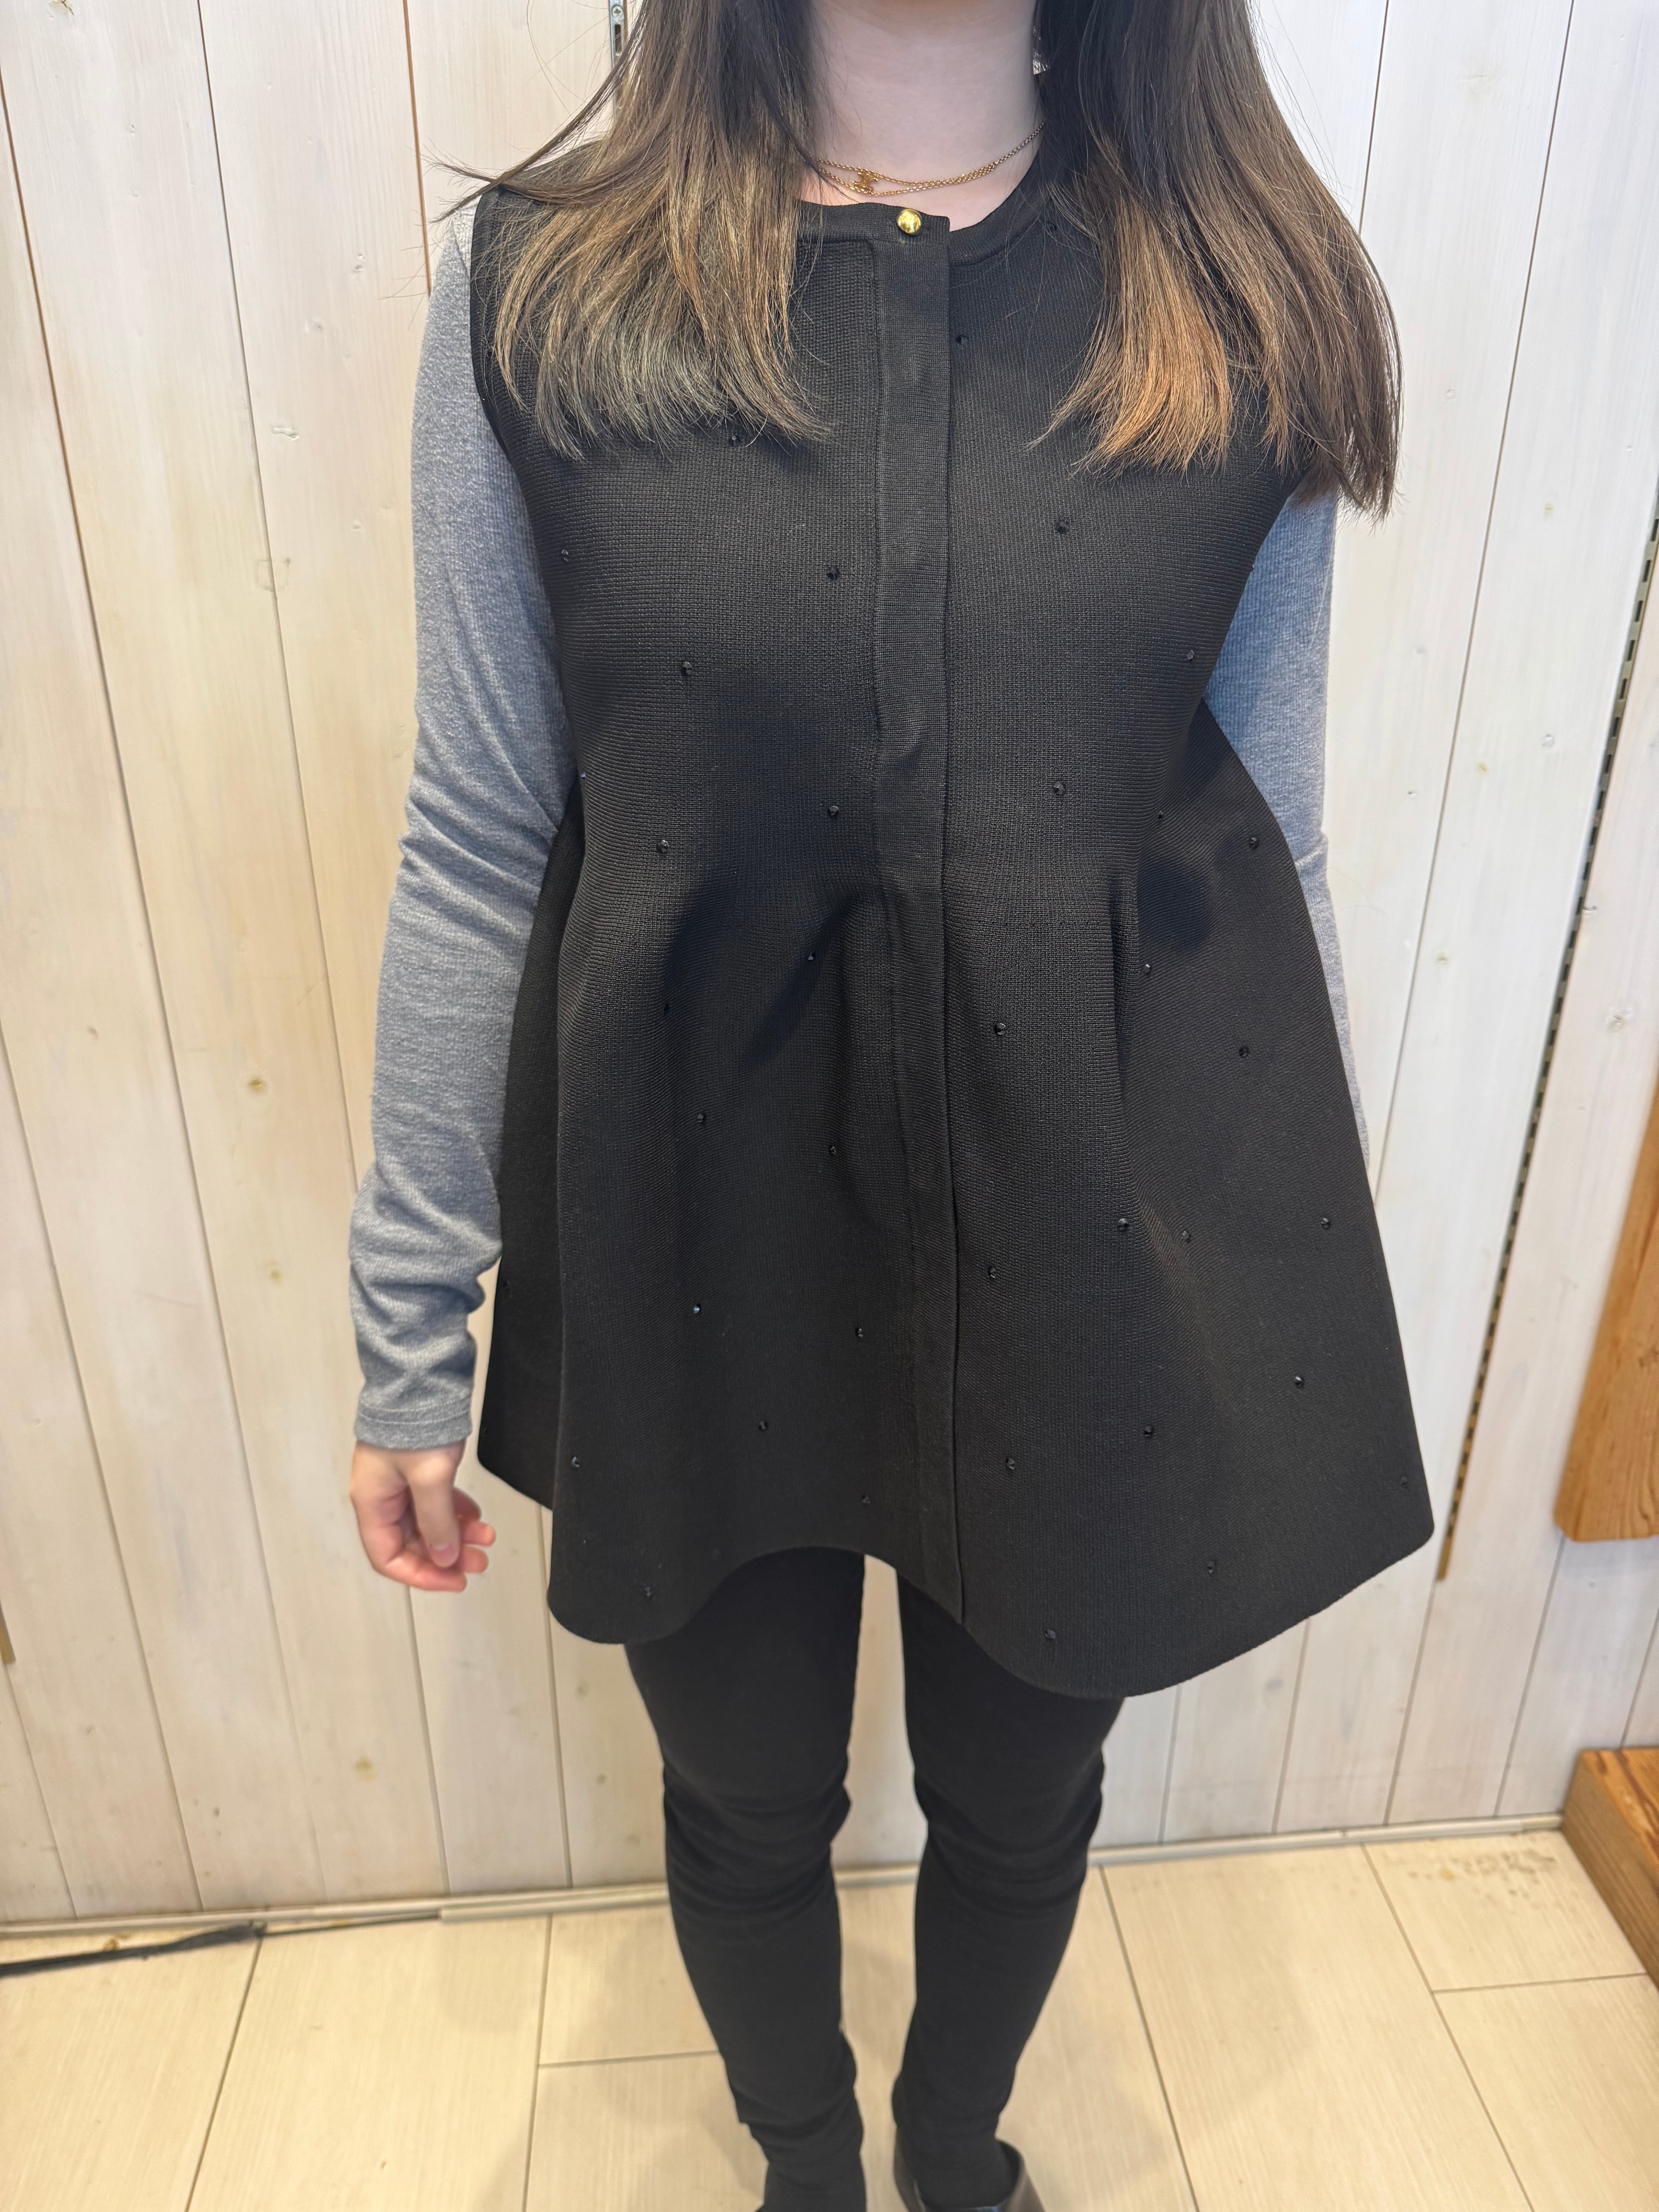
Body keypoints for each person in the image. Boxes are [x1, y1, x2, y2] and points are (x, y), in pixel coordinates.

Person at [346, 2, 1433, 2206]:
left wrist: (1282, 1289)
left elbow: (1272, 832)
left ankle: (956, 2162)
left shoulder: (1244, 288)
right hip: (688, 1219)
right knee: (746, 1791)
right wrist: (408, 1323)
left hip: (1082, 1224)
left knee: (1024, 1789)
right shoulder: (545, 290)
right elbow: (478, 827)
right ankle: (809, 2171)